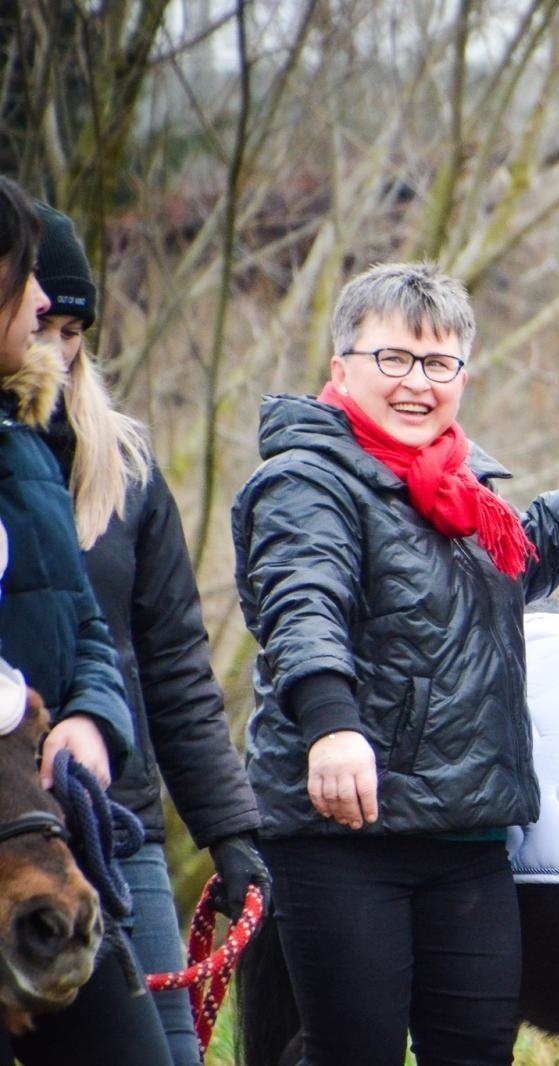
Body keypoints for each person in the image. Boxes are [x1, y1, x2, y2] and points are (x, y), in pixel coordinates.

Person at [233, 261, 559, 1065]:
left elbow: (521, 557)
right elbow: (301, 605)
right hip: (344, 835)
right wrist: (331, 726)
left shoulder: (457, 489)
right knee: (356, 1053)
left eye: (438, 364)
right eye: (394, 360)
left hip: (467, 834)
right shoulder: (306, 481)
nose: (418, 383)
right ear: (341, 368)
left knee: (476, 1052)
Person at [30, 201, 268, 1066]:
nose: (55, 348)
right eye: (39, 322)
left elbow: (172, 667)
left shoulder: (125, 470)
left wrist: (230, 834)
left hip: (117, 834)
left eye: (72, 327)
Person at [0, 177, 170, 1064]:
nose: (41, 306)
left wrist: (95, 720)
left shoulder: (20, 446)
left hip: (49, 823)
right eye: (27, 280)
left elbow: (90, 632)